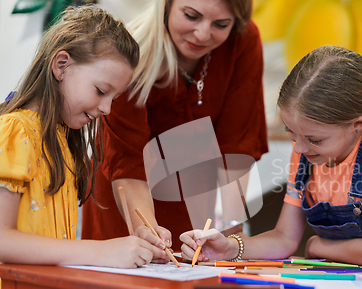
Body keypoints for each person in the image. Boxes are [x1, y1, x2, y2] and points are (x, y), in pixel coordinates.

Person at [180, 45, 362, 269]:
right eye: (292, 134)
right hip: (353, 277)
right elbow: (284, 239)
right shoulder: (308, 153)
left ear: (358, 124)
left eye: (315, 139)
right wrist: (228, 248)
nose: (299, 149)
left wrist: (318, 244)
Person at [0, 6, 167, 289]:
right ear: (62, 65)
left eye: (113, 99)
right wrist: (102, 251)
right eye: (101, 91)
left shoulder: (63, 139)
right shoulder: (15, 132)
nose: (105, 109)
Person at [81, 0, 268, 251]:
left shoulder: (242, 41)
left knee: (191, 272)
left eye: (221, 24)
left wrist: (234, 240)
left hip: (193, 195)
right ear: (166, 5)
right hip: (126, 192)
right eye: (191, 16)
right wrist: (146, 232)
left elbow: (237, 146)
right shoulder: (132, 53)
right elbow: (128, 161)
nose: (202, 34)